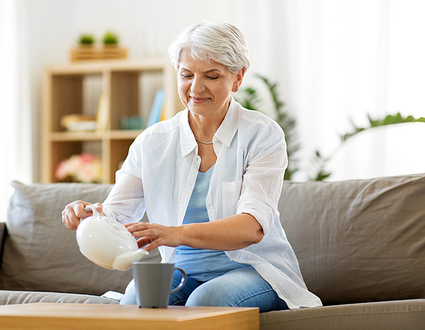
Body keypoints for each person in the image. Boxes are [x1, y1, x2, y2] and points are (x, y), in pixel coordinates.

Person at [62, 21, 322, 311]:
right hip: (180, 271)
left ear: (237, 79)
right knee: (137, 300)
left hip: (253, 270)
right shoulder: (153, 142)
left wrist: (176, 233)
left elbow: (252, 228)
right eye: (186, 75)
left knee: (207, 300)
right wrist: (89, 215)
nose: (195, 88)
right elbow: (116, 215)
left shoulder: (262, 134)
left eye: (211, 76)